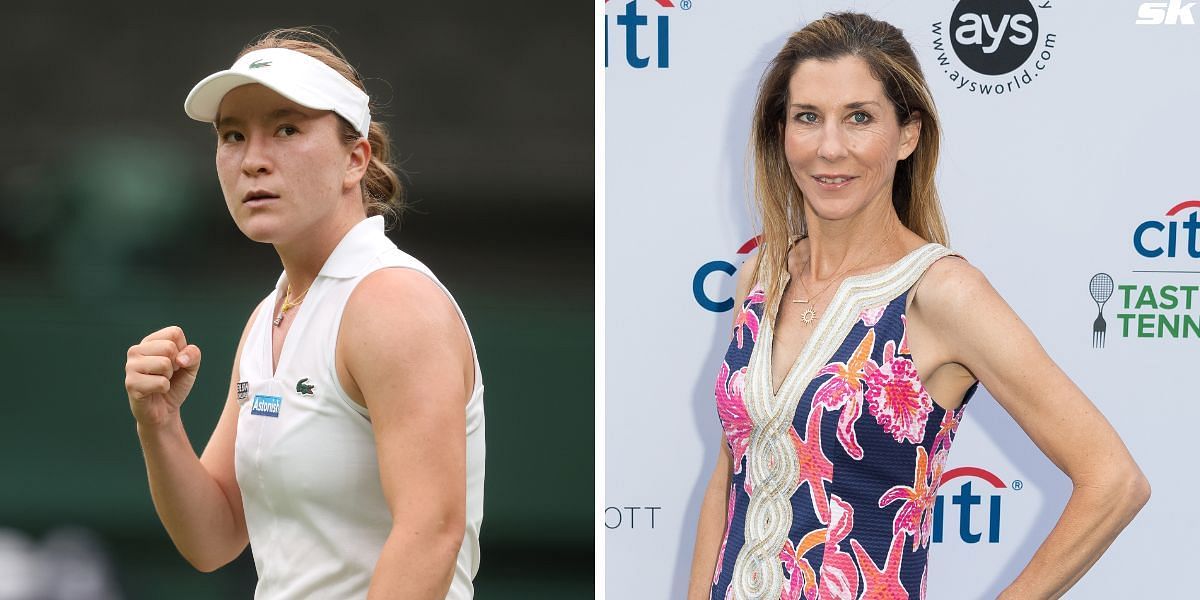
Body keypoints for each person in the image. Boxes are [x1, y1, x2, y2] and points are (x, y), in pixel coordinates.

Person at [687, 12, 1148, 600]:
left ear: (907, 134)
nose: (830, 147)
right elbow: (733, 472)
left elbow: (1114, 481)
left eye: (859, 118)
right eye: (808, 118)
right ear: (780, 132)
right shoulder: (760, 277)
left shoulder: (941, 294)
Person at [122, 29, 485, 599]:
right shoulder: (270, 315)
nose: (254, 161)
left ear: (354, 159)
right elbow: (214, 538)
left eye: (287, 129)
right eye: (233, 135)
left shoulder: (393, 303)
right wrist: (160, 424)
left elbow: (431, 532)